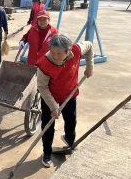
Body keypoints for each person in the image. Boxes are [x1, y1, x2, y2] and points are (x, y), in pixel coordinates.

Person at [37, 33, 94, 168]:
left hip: (70, 92)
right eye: (52, 52)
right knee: (48, 125)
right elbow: (42, 87)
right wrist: (53, 107)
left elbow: (90, 46)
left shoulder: (76, 49)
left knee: (71, 120)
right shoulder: (45, 64)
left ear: (68, 52)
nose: (55, 56)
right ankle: (47, 152)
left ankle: (70, 141)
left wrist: (89, 67)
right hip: (50, 96)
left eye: (59, 53)